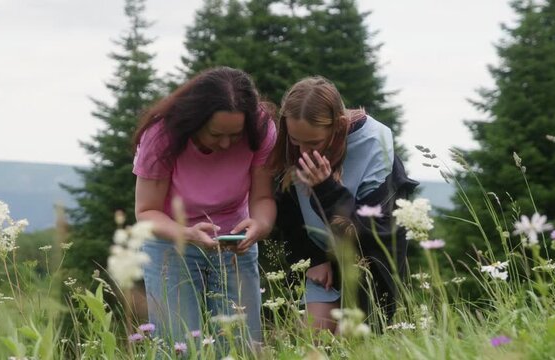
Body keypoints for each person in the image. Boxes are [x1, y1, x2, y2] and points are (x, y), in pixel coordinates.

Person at [132, 67, 276, 344]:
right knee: (180, 344)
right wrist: (186, 234)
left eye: (235, 136)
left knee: (241, 343)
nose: (225, 143)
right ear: (195, 121)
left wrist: (260, 225)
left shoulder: (261, 128)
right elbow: (146, 211)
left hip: (235, 243)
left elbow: (262, 198)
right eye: (215, 134)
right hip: (171, 242)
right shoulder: (161, 135)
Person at [269, 76, 418, 332]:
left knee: (355, 341)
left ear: (337, 126)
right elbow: (288, 212)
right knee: (312, 336)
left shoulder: (376, 145)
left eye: (314, 143)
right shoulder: (291, 145)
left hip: (369, 263)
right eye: (296, 141)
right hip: (320, 258)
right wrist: (312, 257)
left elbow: (376, 231)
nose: (303, 151)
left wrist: (326, 188)